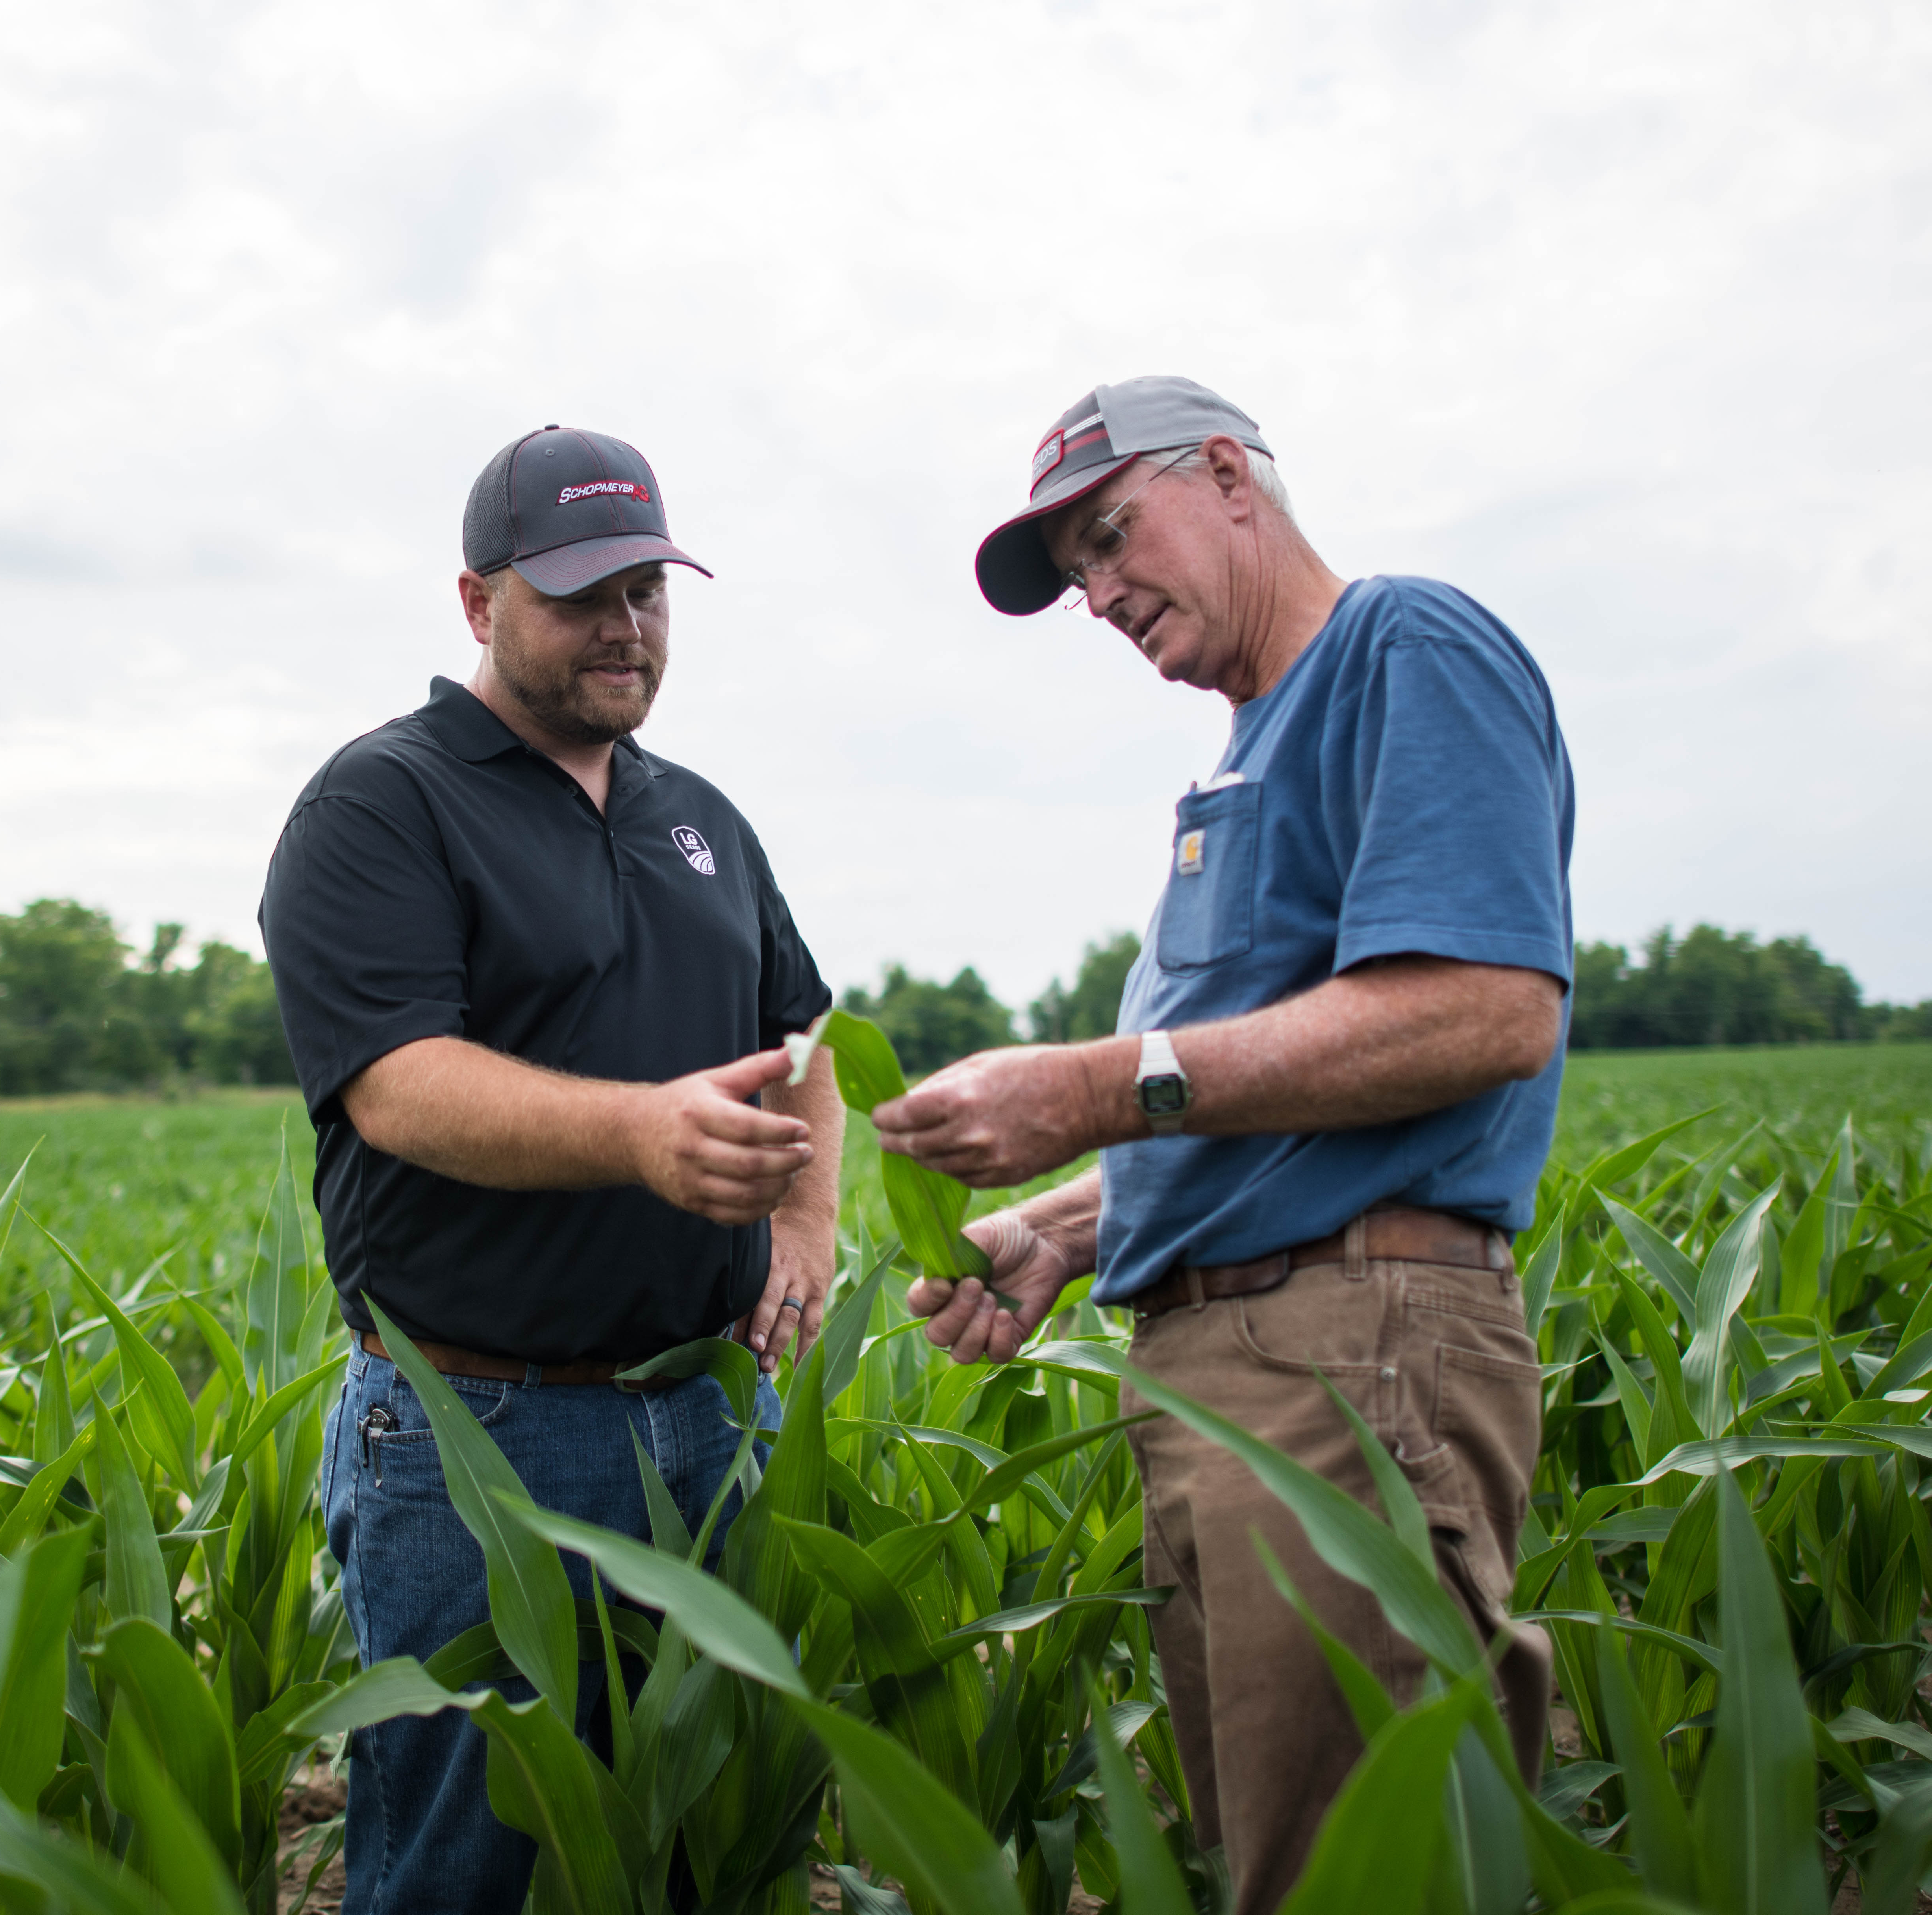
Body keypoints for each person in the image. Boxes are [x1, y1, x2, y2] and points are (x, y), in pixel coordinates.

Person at [875, 376, 1572, 1915]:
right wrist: (1072, 1222)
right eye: (1073, 577)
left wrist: (1098, 1083)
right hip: (1230, 1366)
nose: (1102, 594)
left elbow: (1481, 1008)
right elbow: (1266, 1105)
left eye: (1112, 538)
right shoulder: (1249, 748)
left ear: (1230, 476)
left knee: (1360, 1875)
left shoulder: (1403, 646)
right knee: (1274, 1859)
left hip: (1348, 1360)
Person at [259, 424, 839, 1915]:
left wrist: (806, 1221)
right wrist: (642, 1130)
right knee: (466, 1862)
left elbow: (806, 1035)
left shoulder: (701, 814)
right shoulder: (378, 804)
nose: (625, 623)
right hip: (479, 1440)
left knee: (709, 1846)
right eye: (582, 591)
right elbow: (400, 1086)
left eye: (648, 586)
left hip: (710, 1417)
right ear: (476, 602)